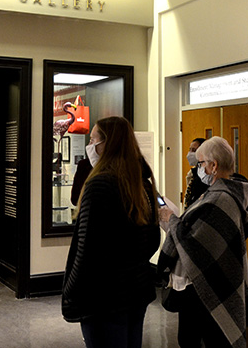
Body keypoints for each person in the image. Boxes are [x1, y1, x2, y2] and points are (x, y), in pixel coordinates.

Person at [62, 116, 160, 348]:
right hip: (136, 289)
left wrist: (70, 290)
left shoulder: (100, 184)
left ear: (108, 143)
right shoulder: (142, 183)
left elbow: (86, 250)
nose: (90, 145)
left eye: (94, 139)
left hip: (103, 295)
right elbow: (153, 239)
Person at [158, 136, 248, 348]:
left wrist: (171, 219)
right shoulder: (228, 192)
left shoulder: (219, 198)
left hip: (204, 286)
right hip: (213, 280)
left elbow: (193, 243)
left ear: (213, 166)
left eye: (200, 163)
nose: (197, 167)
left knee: (197, 339)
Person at [183, 137, 207, 208]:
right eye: (189, 150)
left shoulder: (206, 175)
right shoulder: (193, 172)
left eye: (194, 150)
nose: (190, 153)